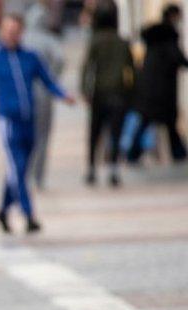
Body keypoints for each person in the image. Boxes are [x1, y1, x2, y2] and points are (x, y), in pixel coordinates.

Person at [0, 14, 75, 234]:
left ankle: (3, 210)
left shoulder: (30, 56)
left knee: (21, 169)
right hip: (7, 121)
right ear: (1, 31)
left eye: (15, 30)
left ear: (21, 32)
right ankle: (28, 214)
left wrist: (63, 94)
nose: (11, 34)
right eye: (7, 29)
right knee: (17, 168)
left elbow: (47, 80)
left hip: (28, 119)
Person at [80, 4, 134, 186]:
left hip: (100, 93)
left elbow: (87, 67)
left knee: (95, 133)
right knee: (115, 133)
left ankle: (91, 169)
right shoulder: (122, 42)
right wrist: (130, 92)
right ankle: (113, 169)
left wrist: (85, 90)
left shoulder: (95, 41)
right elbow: (131, 70)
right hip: (119, 93)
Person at [127, 4, 188, 164]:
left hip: (150, 87)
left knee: (152, 121)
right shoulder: (168, 37)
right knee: (164, 122)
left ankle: (177, 152)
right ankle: (176, 153)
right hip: (162, 90)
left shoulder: (155, 37)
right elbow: (178, 58)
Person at [23, 2, 65, 189]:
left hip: (24, 94)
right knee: (42, 137)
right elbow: (60, 59)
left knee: (24, 136)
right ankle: (38, 176)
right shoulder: (49, 40)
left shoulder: (22, 39)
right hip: (44, 95)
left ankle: (25, 173)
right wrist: (52, 78)